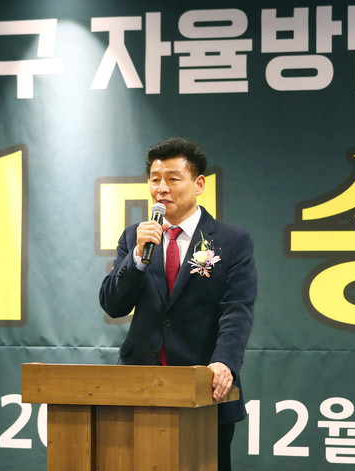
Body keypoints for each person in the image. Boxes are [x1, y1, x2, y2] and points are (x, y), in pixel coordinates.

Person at [99, 137, 257, 471]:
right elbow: (113, 305)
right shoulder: (136, 237)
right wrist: (137, 257)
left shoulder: (231, 241)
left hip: (203, 386)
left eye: (173, 179)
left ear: (198, 184)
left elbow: (237, 309)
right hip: (139, 386)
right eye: (155, 179)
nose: (162, 189)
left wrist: (224, 363)